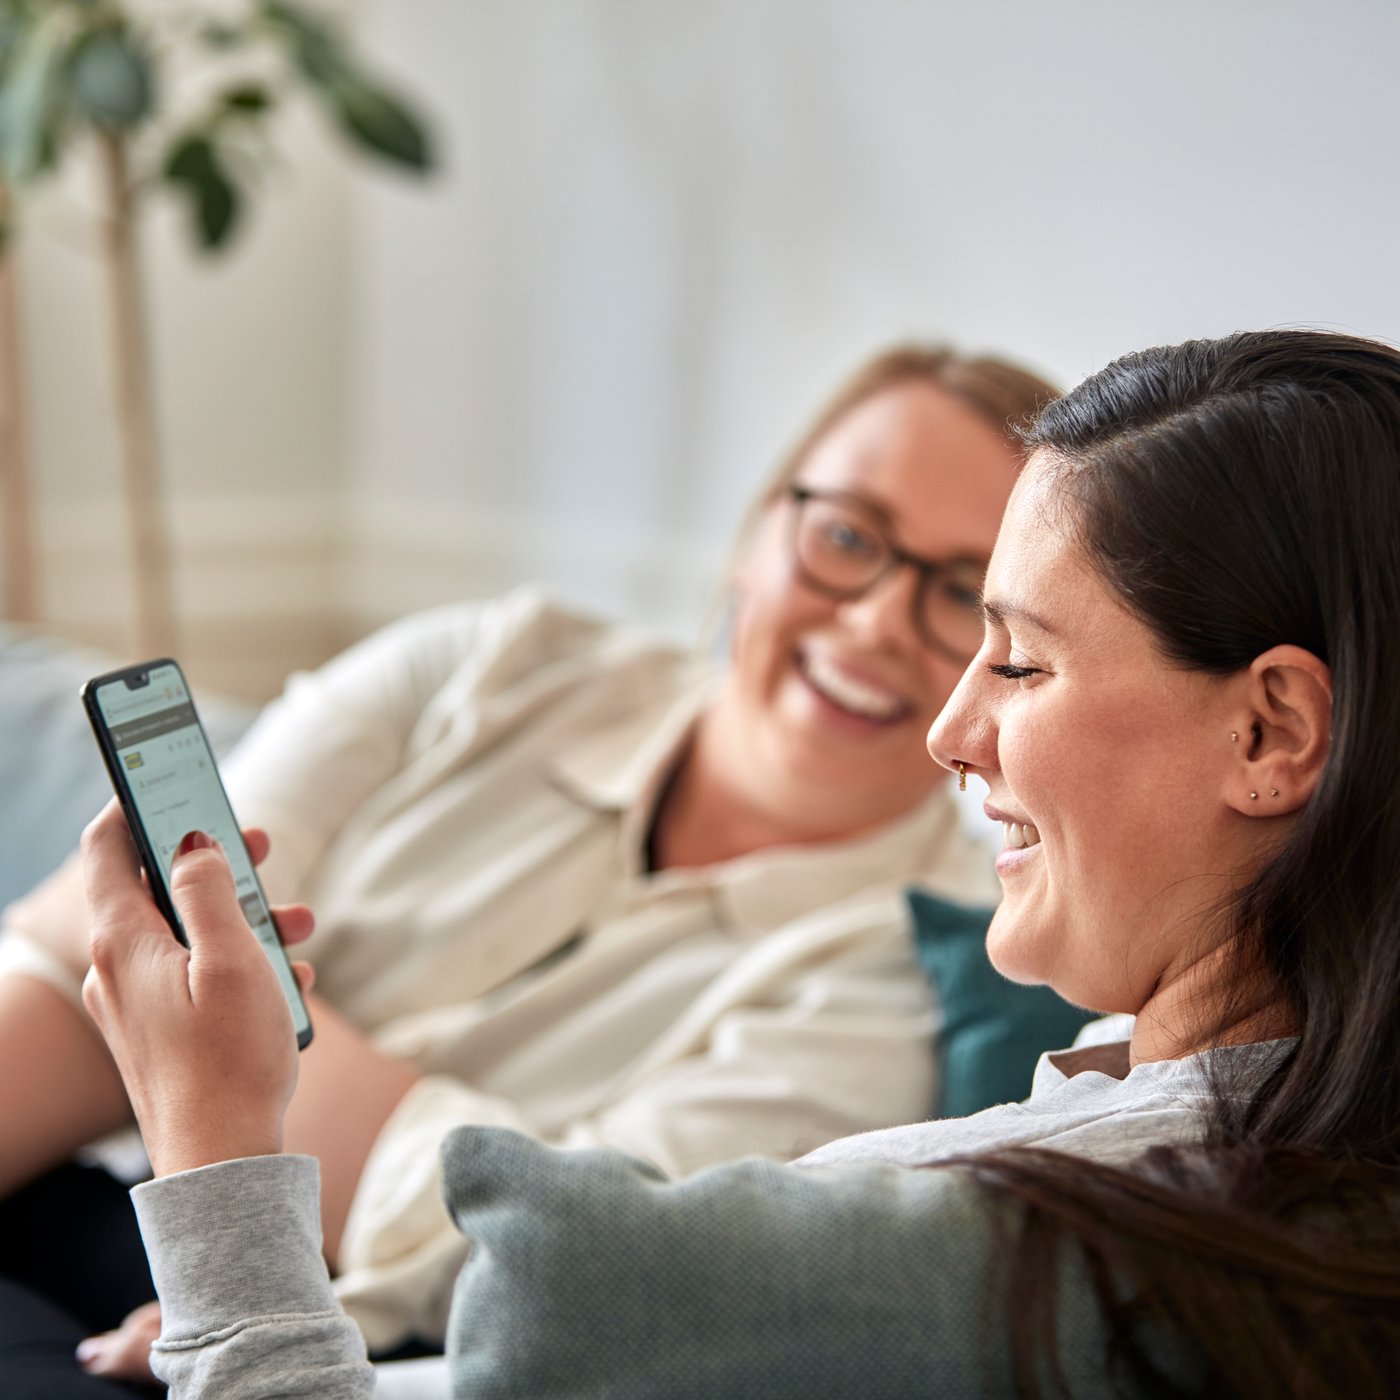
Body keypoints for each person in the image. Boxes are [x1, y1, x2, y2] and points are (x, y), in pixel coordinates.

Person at [78, 328, 1400, 1397]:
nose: (955, 728)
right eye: (845, 537)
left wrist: (215, 1143)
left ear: (1271, 733)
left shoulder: (959, 1241)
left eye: (1015, 656)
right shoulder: (1304, 1167)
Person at [0, 344, 1059, 1391]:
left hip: (318, 1337)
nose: (873, 619)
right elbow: (88, 942)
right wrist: (212, 1044)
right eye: (844, 534)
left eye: (962, 594)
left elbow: (552, 1253)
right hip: (86, 1185)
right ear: (756, 533)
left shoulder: (917, 971)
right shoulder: (487, 661)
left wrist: (203, 1047)